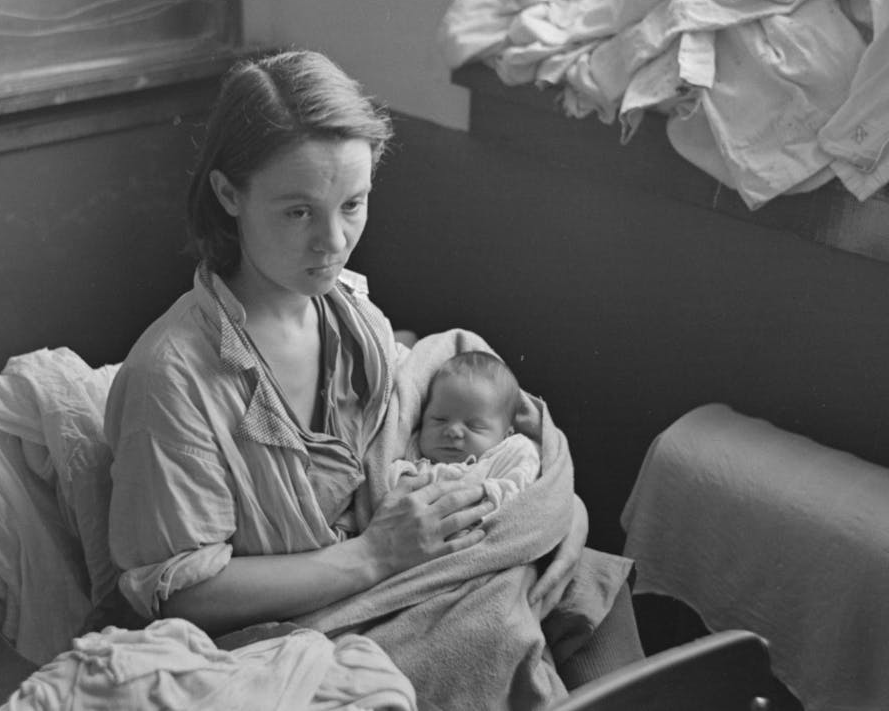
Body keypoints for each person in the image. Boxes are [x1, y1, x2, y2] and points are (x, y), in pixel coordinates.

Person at [105, 49, 643, 705]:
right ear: (228, 195)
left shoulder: (351, 317)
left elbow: (399, 424)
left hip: (395, 571)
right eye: (298, 212)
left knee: (585, 574)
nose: (332, 241)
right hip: (286, 629)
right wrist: (375, 556)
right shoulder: (175, 378)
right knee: (492, 629)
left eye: (352, 204)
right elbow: (183, 594)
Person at [387, 350, 540, 516]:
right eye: (439, 419)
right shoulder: (410, 459)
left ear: (506, 435)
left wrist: (483, 495)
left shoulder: (510, 453)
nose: (453, 431)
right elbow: (383, 487)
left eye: (474, 425)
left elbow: (520, 489)